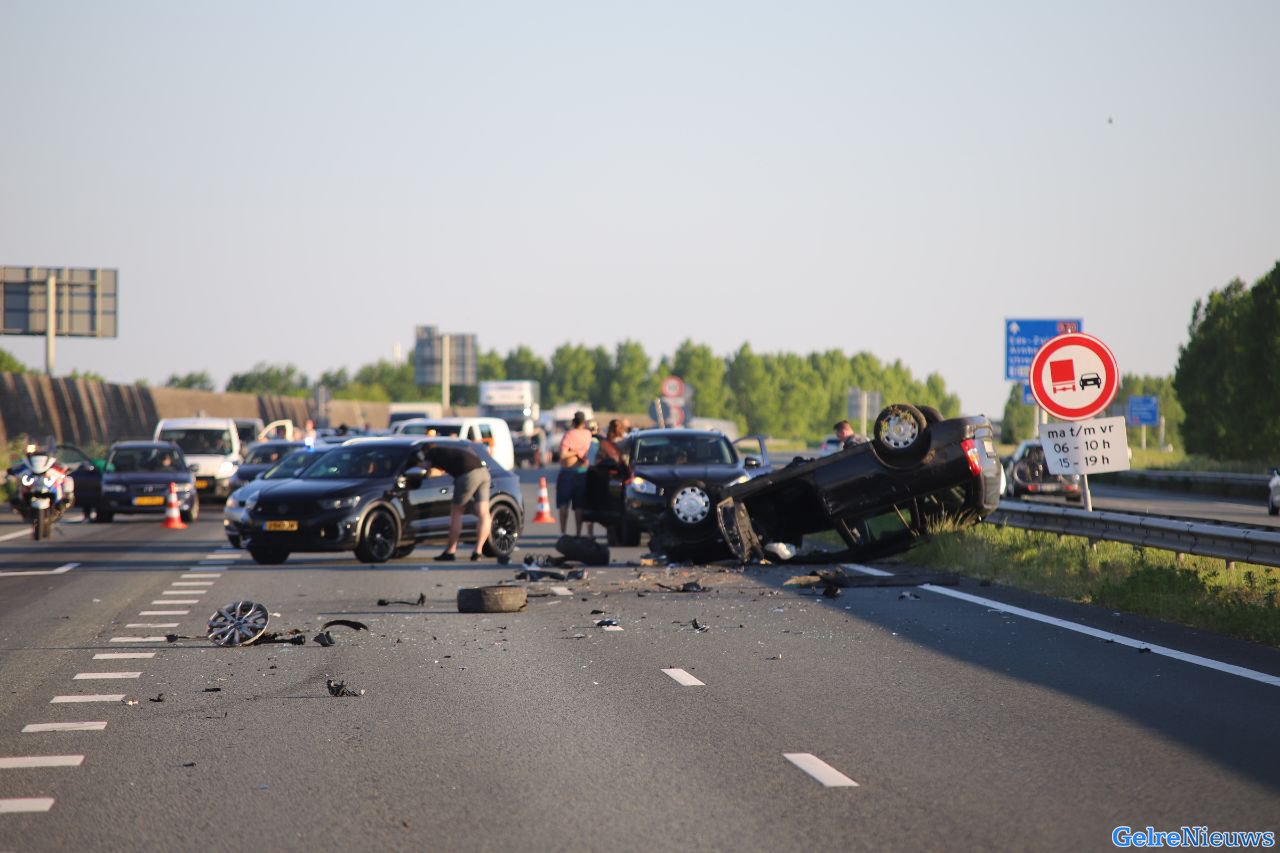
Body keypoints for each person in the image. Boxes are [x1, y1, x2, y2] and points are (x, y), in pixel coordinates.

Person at [421, 443, 492, 561]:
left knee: (457, 512)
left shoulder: (432, 452)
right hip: (483, 472)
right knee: (483, 513)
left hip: (467, 475)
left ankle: (450, 551)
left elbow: (425, 469)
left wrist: (418, 465)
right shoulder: (449, 450)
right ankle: (478, 551)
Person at [556, 411, 592, 536]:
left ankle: (563, 533)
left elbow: (563, 454)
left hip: (567, 471)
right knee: (579, 505)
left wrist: (575, 451)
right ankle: (578, 533)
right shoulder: (588, 434)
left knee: (563, 504)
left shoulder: (569, 435)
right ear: (584, 422)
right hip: (582, 471)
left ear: (573, 422)